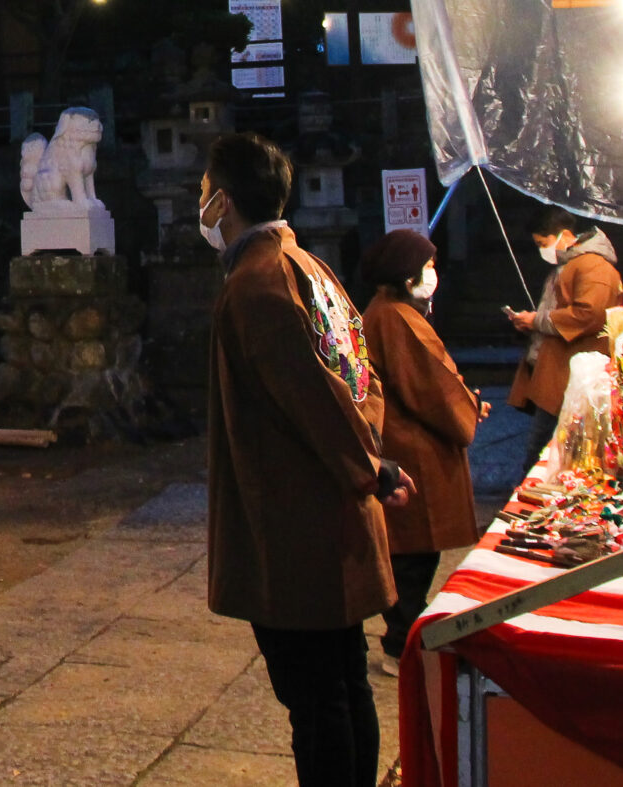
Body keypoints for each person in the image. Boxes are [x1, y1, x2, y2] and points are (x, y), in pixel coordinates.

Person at [201, 132, 408, 787]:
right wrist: (369, 460)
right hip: (333, 517)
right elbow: (360, 379)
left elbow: (313, 397)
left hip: (298, 524)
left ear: (223, 201)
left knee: (316, 700)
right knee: (343, 685)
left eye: (203, 191)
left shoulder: (257, 284)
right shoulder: (310, 268)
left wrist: (363, 467)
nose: (199, 202)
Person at [359, 230, 488, 668]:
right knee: (413, 553)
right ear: (407, 274)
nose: (434, 274)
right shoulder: (394, 316)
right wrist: (464, 409)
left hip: (404, 438)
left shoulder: (387, 312)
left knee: (411, 553)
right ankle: (402, 645)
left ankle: (405, 639)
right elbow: (430, 388)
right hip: (412, 446)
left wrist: (466, 403)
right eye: (427, 267)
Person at [506, 207, 621, 459]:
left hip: (570, 378)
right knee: (545, 451)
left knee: (545, 452)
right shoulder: (572, 265)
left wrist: (537, 321)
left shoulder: (593, 267)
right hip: (557, 373)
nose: (541, 250)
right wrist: (531, 322)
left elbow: (587, 315)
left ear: (565, 234)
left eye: (542, 243)